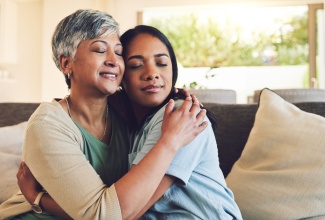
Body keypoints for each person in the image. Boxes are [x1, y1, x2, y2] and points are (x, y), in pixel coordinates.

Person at [11, 24, 243, 219]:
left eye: (161, 63)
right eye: (135, 65)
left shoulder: (183, 118)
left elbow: (124, 213)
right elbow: (105, 209)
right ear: (122, 76)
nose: (152, 73)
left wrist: (38, 199)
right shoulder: (125, 120)